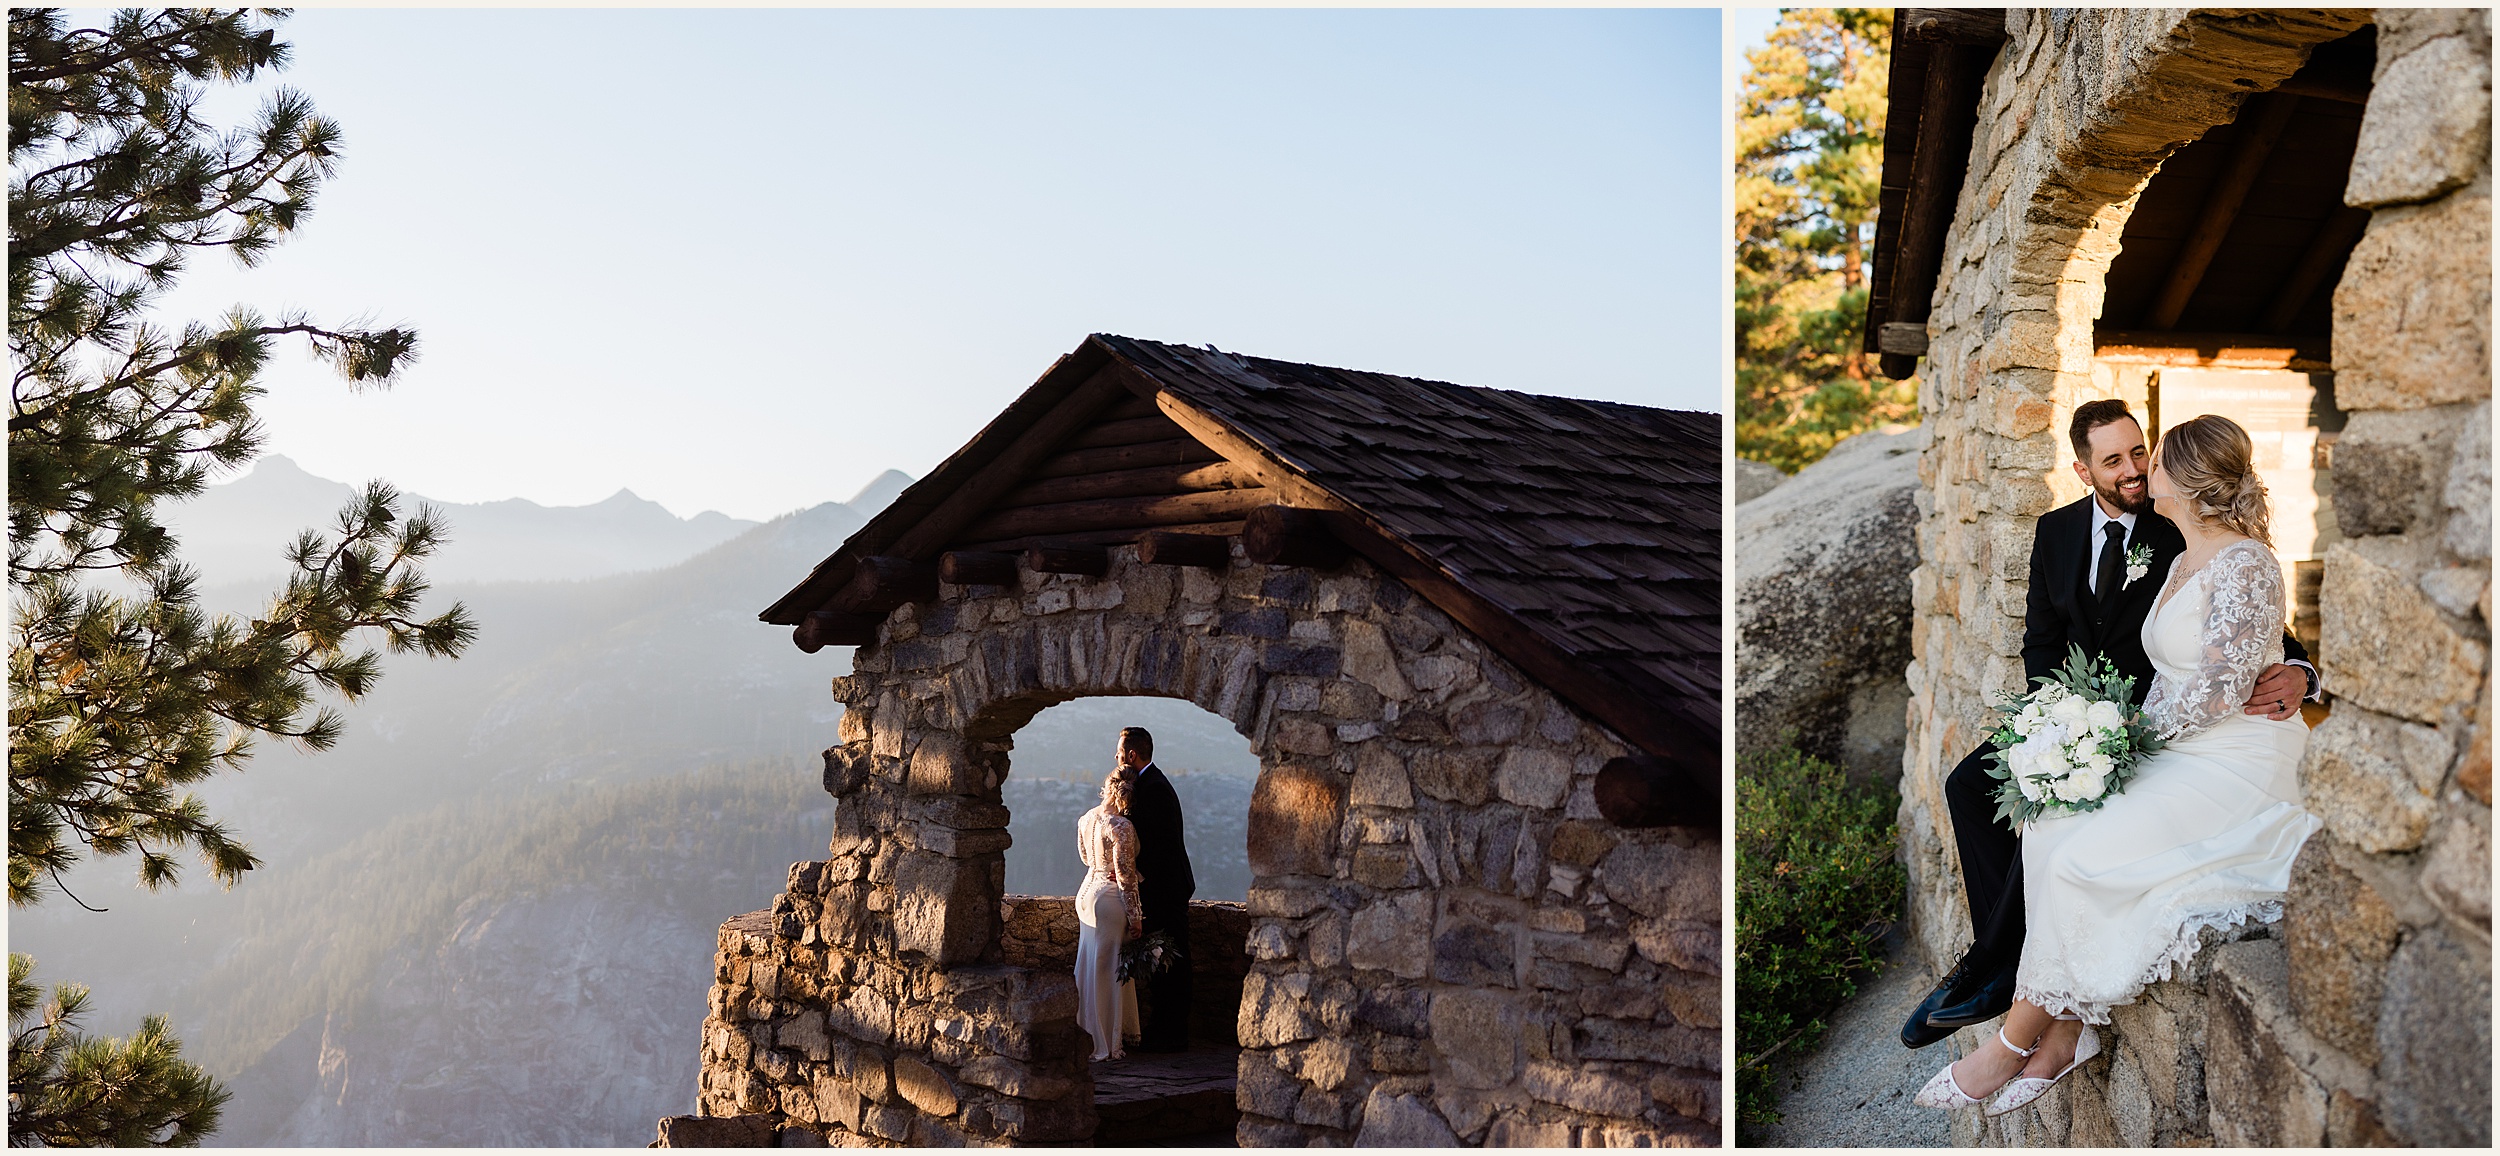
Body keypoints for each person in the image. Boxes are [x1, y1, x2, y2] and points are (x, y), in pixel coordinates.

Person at [1914, 413, 2322, 1114]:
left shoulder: (2198, 541)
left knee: (2074, 845)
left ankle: (2024, 1036)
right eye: (2119, 460)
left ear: (2183, 482)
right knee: (1980, 791)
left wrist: (2306, 676)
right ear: (2086, 470)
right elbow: (2042, 639)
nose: (2136, 469)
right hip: (2102, 718)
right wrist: (2058, 724)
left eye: (2147, 456)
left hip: (2196, 740)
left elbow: (2250, 651)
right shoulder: (2063, 532)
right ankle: (1999, 966)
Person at [1118, 726, 1197, 1053]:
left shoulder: (1154, 789)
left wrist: (1136, 876)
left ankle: (1173, 1034)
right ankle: (1165, 1030)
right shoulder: (1150, 784)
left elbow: (1159, 847)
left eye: (1119, 752)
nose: (1116, 757)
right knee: (1164, 961)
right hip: (1165, 889)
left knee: (1173, 962)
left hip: (1167, 890)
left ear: (1132, 755)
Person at [1074, 768, 1143, 1062]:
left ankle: (1085, 1032)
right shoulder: (1121, 826)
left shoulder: (1086, 818)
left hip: (1086, 894)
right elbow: (1125, 875)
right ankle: (1107, 1041)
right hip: (1109, 899)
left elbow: (1086, 858)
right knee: (1110, 968)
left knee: (1090, 965)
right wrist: (1136, 914)